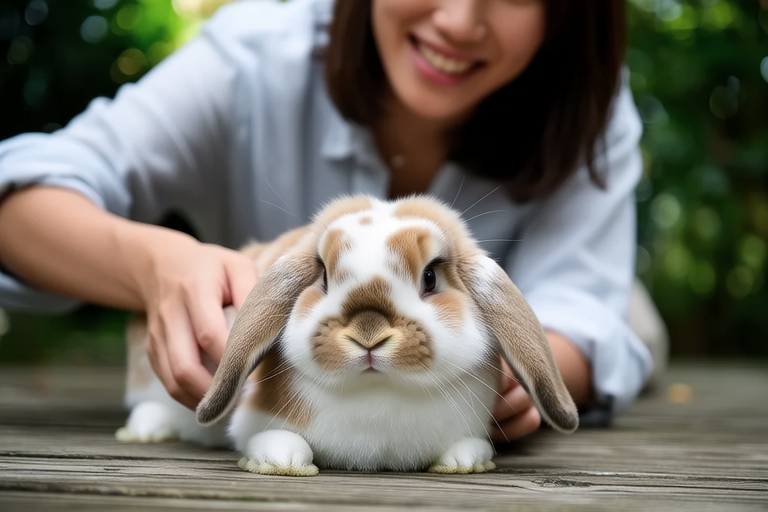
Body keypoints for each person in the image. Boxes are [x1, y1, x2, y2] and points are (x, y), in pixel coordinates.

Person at [0, 0, 658, 441]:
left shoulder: (586, 113)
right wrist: (156, 266)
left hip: (531, 298)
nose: (459, 20)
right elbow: (22, 193)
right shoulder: (253, 59)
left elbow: (582, 313)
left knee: (630, 321)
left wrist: (522, 367)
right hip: (302, 389)